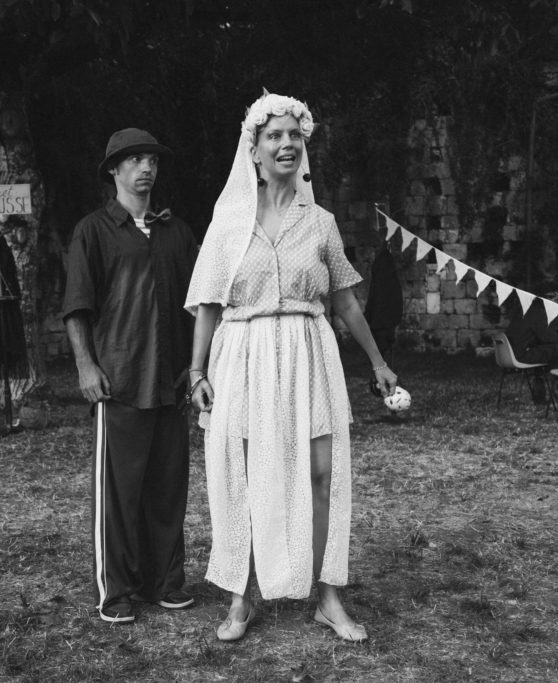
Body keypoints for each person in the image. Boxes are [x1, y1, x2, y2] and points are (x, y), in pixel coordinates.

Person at [185, 92, 399, 643]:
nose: (285, 144)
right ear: (253, 150)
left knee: (321, 472)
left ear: (304, 147)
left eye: (293, 136)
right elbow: (208, 302)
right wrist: (196, 371)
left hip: (309, 352)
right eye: (273, 136)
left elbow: (347, 300)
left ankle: (329, 597)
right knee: (247, 475)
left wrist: (378, 362)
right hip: (246, 356)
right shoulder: (228, 222)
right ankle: (240, 598)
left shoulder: (321, 222)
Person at [62, 128, 198, 624]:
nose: (146, 168)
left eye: (152, 161)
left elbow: (196, 306)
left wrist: (196, 367)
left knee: (167, 489)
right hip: (118, 379)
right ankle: (115, 591)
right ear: (114, 171)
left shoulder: (177, 231)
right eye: (135, 161)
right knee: (118, 495)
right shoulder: (93, 230)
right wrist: (85, 365)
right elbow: (78, 306)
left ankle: (164, 581)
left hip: (171, 380)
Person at [504, 281, 558, 404]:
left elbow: (539, 336)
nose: (555, 302)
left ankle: (540, 392)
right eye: (551, 297)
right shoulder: (537, 312)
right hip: (521, 355)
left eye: (557, 298)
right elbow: (548, 337)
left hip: (511, 354)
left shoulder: (526, 309)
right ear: (541, 298)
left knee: (545, 349)